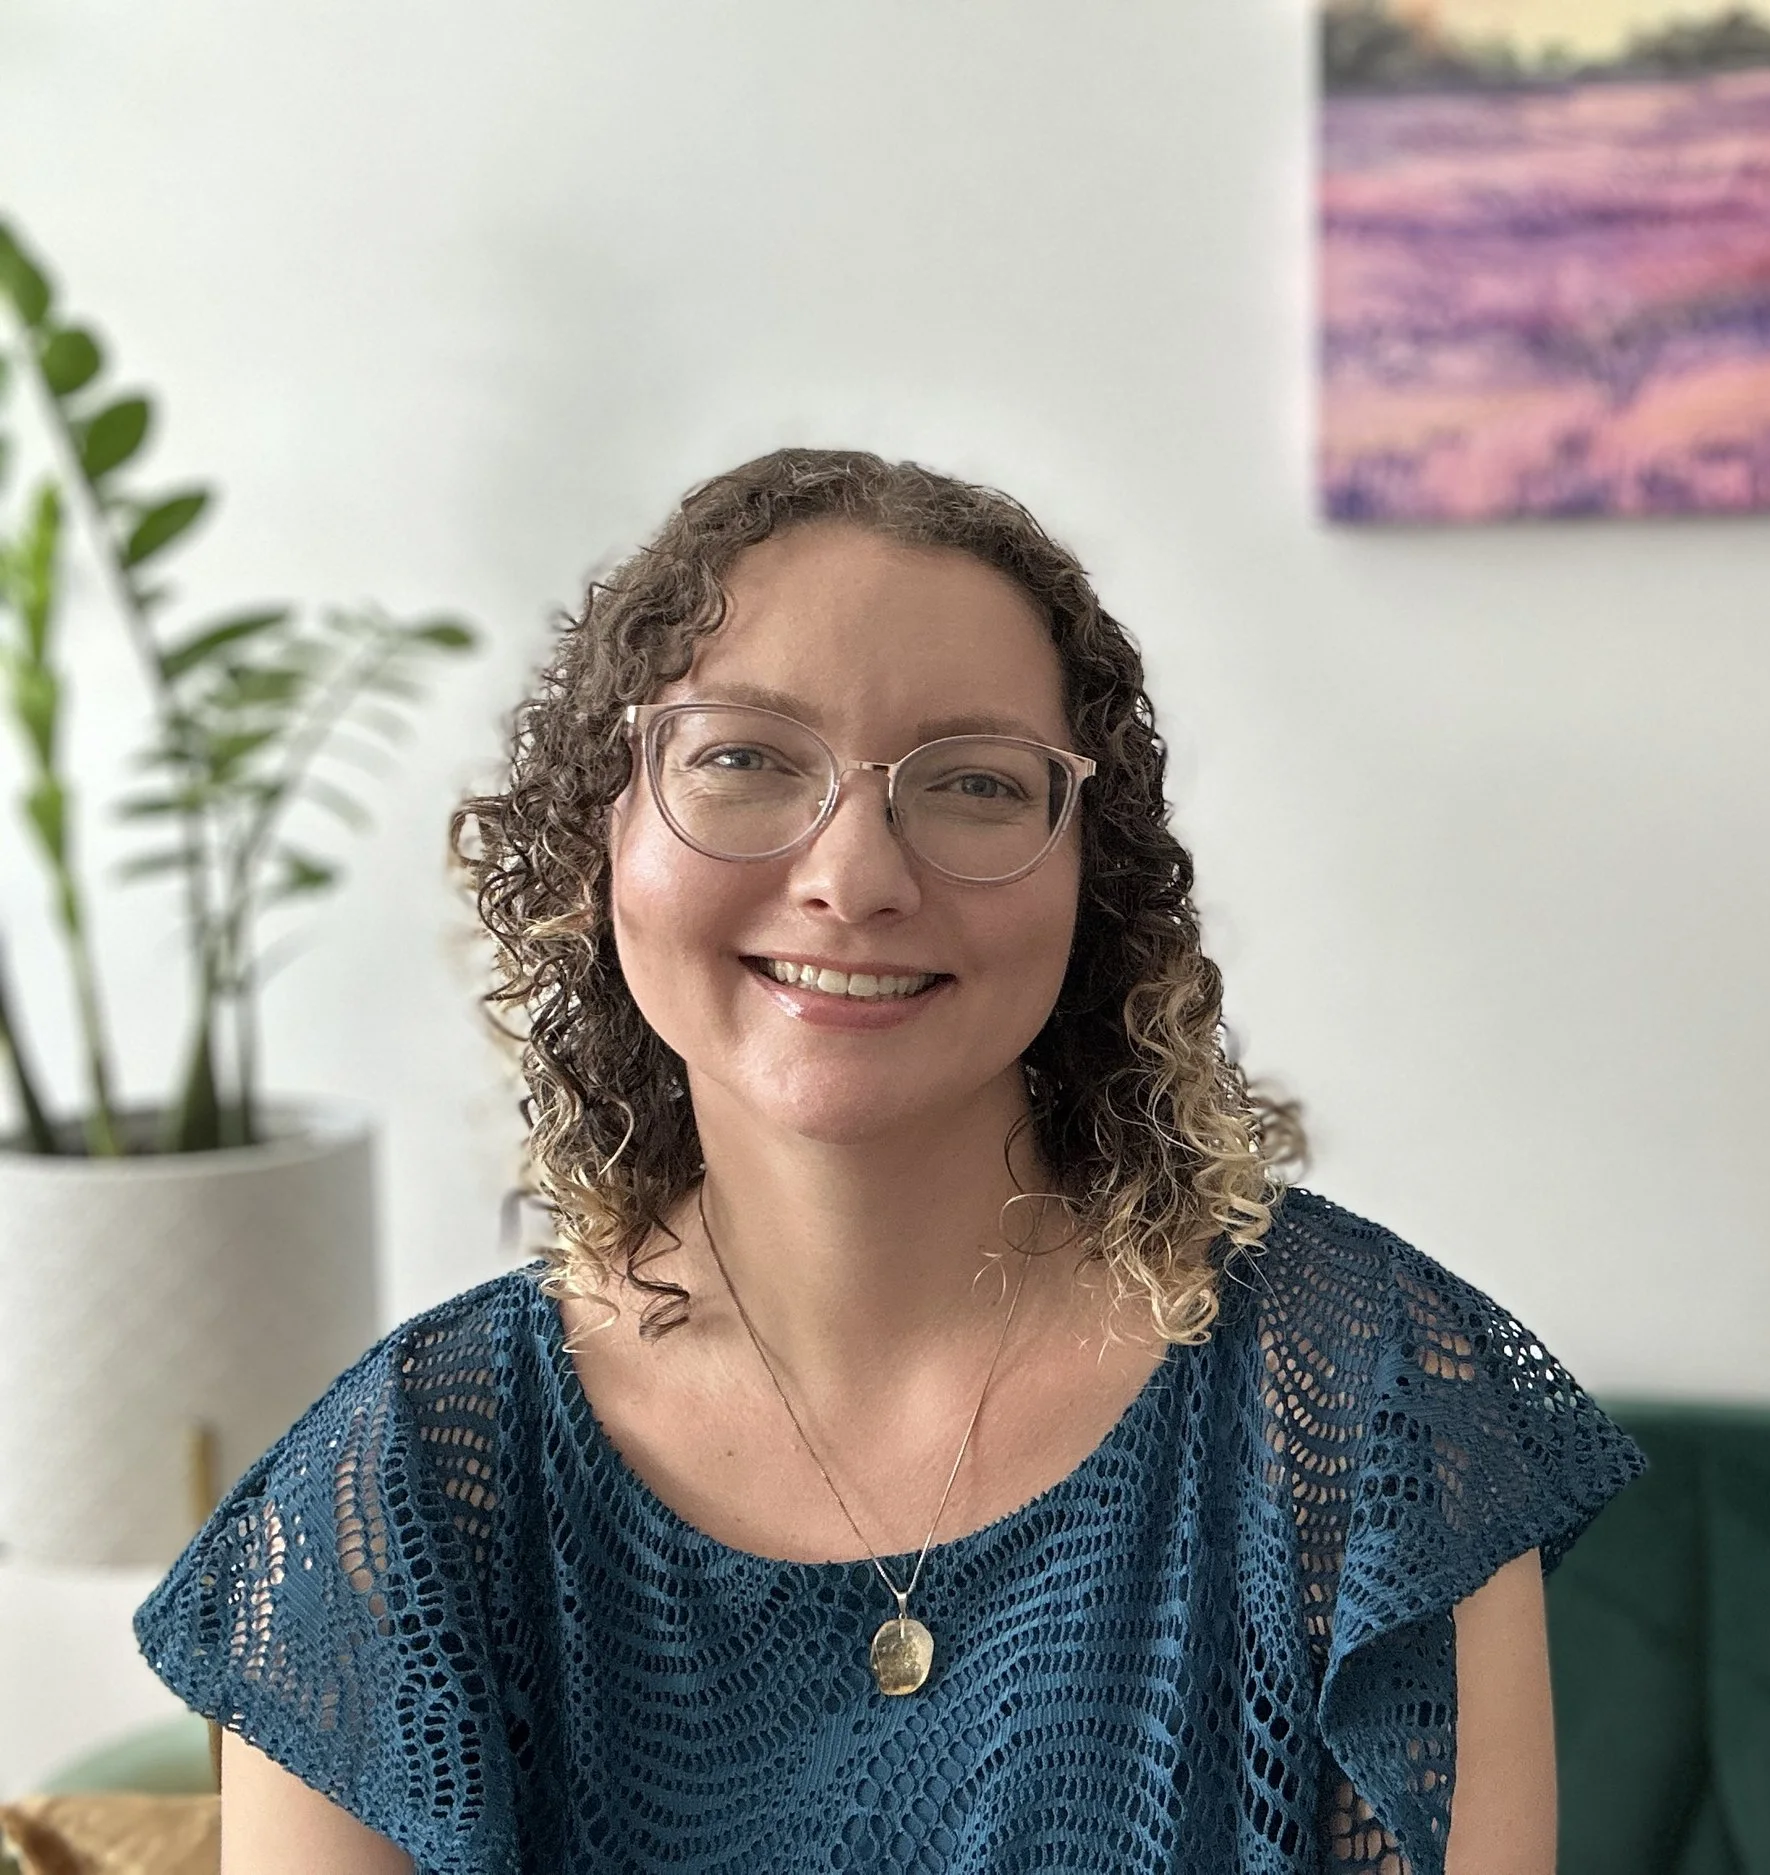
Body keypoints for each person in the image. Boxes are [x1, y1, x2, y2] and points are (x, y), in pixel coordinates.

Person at [135, 448, 1646, 1874]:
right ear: (601, 840)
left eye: (975, 782)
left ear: (1092, 874)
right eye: (742, 757)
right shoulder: (389, 1501)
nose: (855, 877)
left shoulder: (1367, 1400)